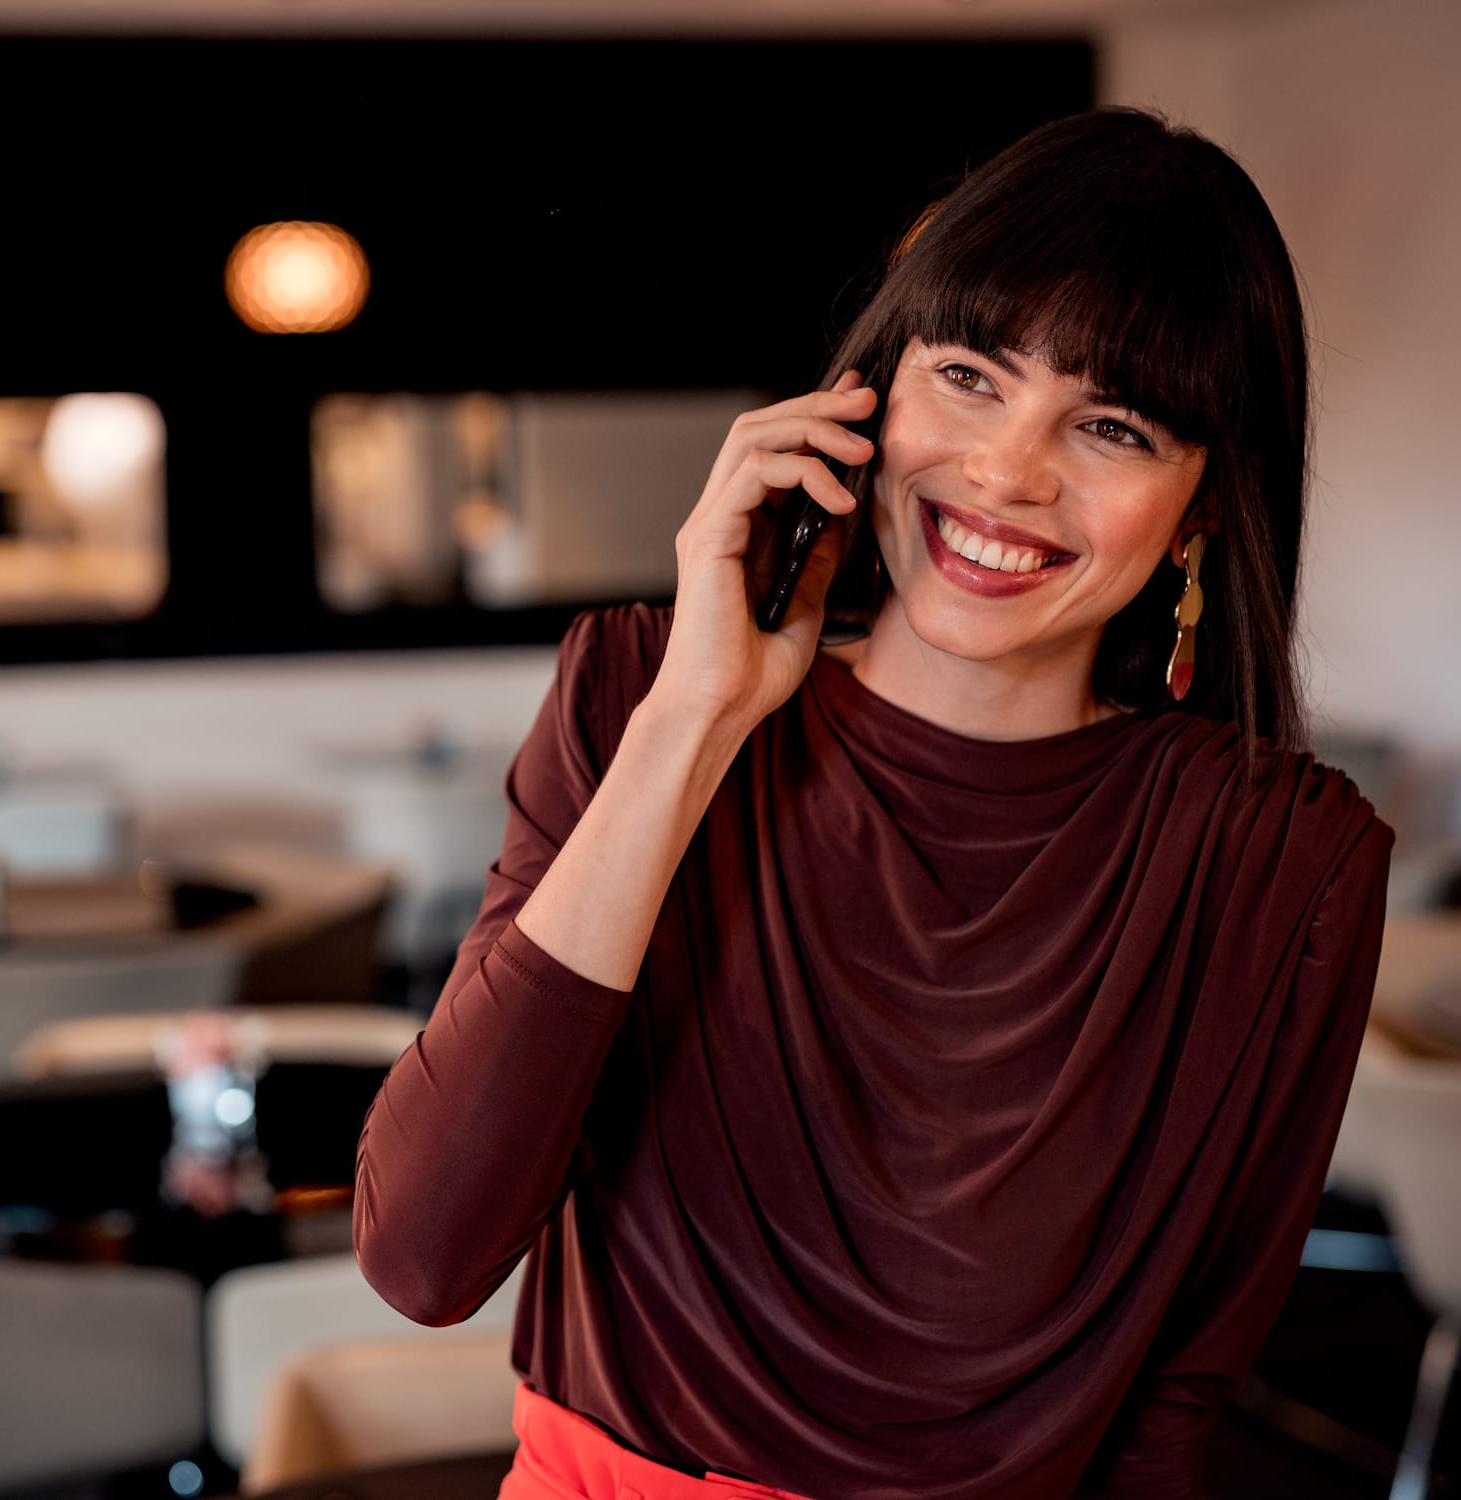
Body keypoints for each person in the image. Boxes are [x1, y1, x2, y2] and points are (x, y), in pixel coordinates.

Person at [352, 107, 1396, 1500]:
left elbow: (1176, 1398)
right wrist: (696, 721)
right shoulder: (634, 696)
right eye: (967, 375)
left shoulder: (1283, 860)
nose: (1010, 473)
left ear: (1203, 506)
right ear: (864, 399)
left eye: (1112, 424)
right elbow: (424, 1255)